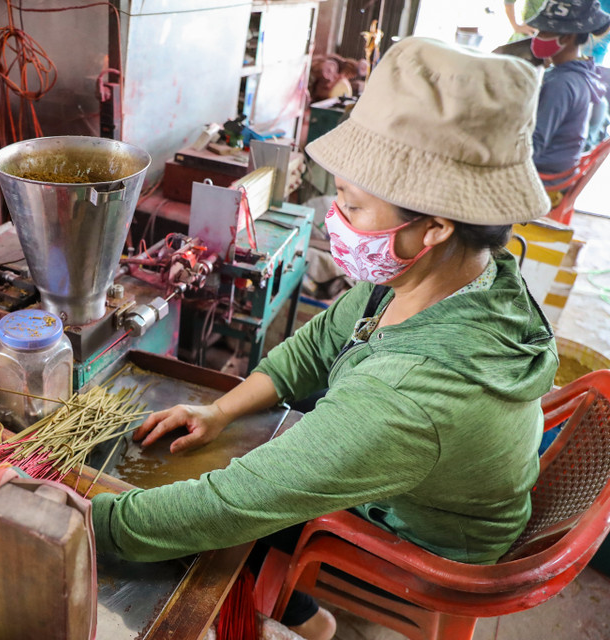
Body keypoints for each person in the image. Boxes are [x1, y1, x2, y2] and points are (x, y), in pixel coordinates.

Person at [90, 37, 558, 640]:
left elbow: (230, 504)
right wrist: (219, 410)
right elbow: (316, 348)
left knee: (212, 526)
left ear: (436, 227)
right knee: (242, 464)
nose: (334, 218)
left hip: (425, 546)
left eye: (354, 206)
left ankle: (308, 619)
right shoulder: (455, 275)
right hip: (437, 487)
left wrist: (82, 518)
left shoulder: (411, 396)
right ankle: (309, 617)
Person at [528, 0, 610, 184]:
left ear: (567, 37)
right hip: (558, 171)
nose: (537, 36)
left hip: (542, 179)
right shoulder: (581, 74)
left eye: (544, 32)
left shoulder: (561, 83)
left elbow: (534, 146)